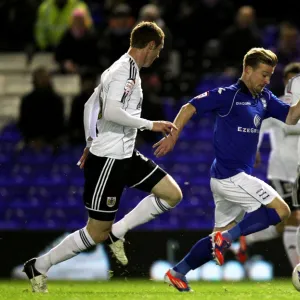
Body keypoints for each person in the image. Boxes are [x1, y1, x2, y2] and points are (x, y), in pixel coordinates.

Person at [23, 21, 183, 293]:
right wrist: (150, 124)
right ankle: (38, 266)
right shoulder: (124, 71)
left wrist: (88, 140)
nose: (159, 56)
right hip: (109, 160)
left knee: (172, 194)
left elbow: (90, 104)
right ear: (151, 46)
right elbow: (109, 112)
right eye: (159, 50)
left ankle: (118, 232)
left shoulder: (123, 67)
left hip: (124, 154)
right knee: (96, 232)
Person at [153, 47, 300, 292]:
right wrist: (173, 135)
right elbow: (190, 106)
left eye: (270, 75)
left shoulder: (264, 98)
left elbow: (292, 117)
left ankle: (177, 271)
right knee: (281, 210)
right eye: (263, 74)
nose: (267, 80)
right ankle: (229, 238)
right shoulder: (228, 95)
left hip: (228, 177)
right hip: (230, 176)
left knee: (215, 239)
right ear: (247, 70)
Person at [234, 62, 300, 268]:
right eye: (289, 78)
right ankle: (297, 270)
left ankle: (249, 238)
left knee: (285, 222)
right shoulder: (280, 105)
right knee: (294, 219)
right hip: (283, 171)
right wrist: (254, 148)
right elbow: (260, 124)